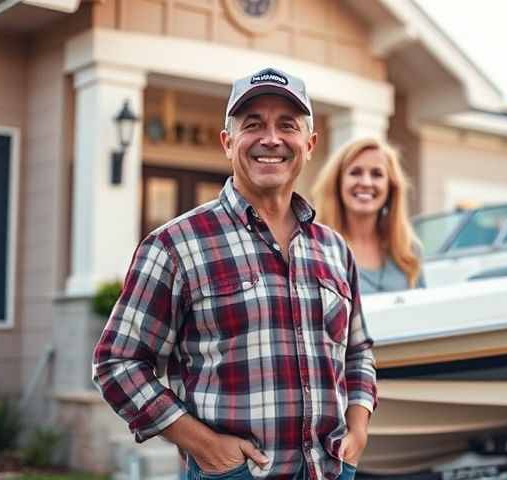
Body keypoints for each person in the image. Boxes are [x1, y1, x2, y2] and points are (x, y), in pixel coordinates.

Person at [92, 67, 376, 480]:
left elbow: (359, 350)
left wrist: (358, 429)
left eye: (287, 126)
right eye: (253, 125)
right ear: (228, 142)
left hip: (330, 470)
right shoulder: (175, 245)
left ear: (309, 144)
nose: (271, 139)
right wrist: (204, 446)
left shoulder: (334, 248)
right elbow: (117, 362)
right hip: (233, 474)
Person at [312, 138, 425, 294]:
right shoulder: (315, 248)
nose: (366, 182)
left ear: (391, 187)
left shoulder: (409, 250)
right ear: (337, 183)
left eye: (377, 174)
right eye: (355, 172)